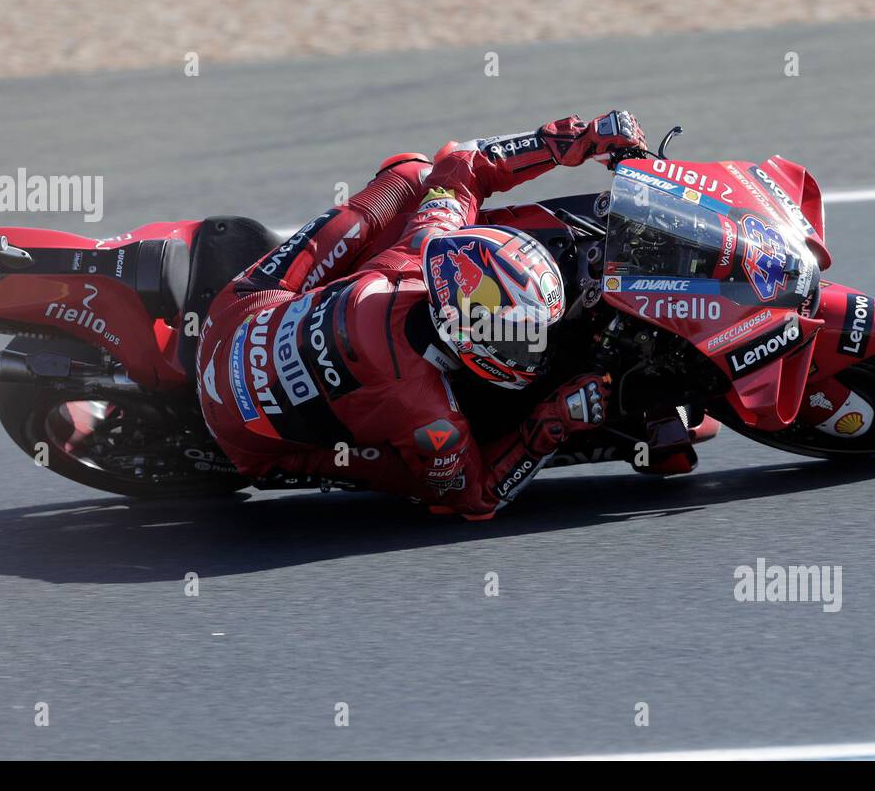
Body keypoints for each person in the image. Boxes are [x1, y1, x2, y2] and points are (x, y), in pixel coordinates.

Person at [195, 111, 646, 518]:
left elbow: (463, 164)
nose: (535, 349)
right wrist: (553, 422)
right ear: (469, 337)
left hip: (244, 313)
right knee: (434, 483)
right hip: (248, 441)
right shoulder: (427, 412)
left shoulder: (424, 247)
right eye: (523, 337)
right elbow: (476, 498)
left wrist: (574, 140)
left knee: (414, 175)